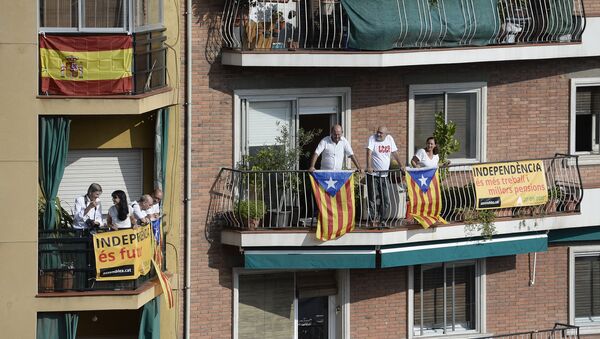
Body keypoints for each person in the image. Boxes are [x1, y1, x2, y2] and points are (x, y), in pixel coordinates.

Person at [366, 127, 404, 227]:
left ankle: (382, 219)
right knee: (372, 198)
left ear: (386, 134)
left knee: (386, 199)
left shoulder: (390, 139)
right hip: (373, 175)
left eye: (381, 133)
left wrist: (401, 165)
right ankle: (373, 220)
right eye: (378, 132)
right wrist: (369, 166)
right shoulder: (372, 138)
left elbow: (395, 153)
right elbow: (369, 152)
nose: (378, 134)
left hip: (384, 175)